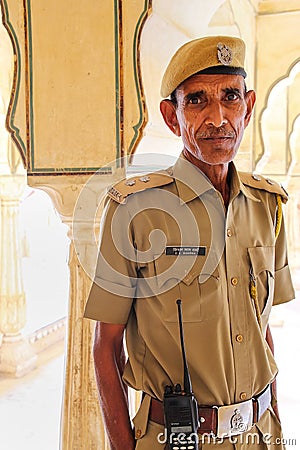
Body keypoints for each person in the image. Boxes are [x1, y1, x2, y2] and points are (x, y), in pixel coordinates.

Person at [84, 35, 295, 449]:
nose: (218, 117)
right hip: (175, 439)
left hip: (261, 435)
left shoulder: (267, 206)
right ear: (171, 116)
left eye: (230, 97)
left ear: (248, 107)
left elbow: (261, 329)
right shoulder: (135, 210)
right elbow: (105, 349)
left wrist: (276, 427)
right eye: (197, 100)